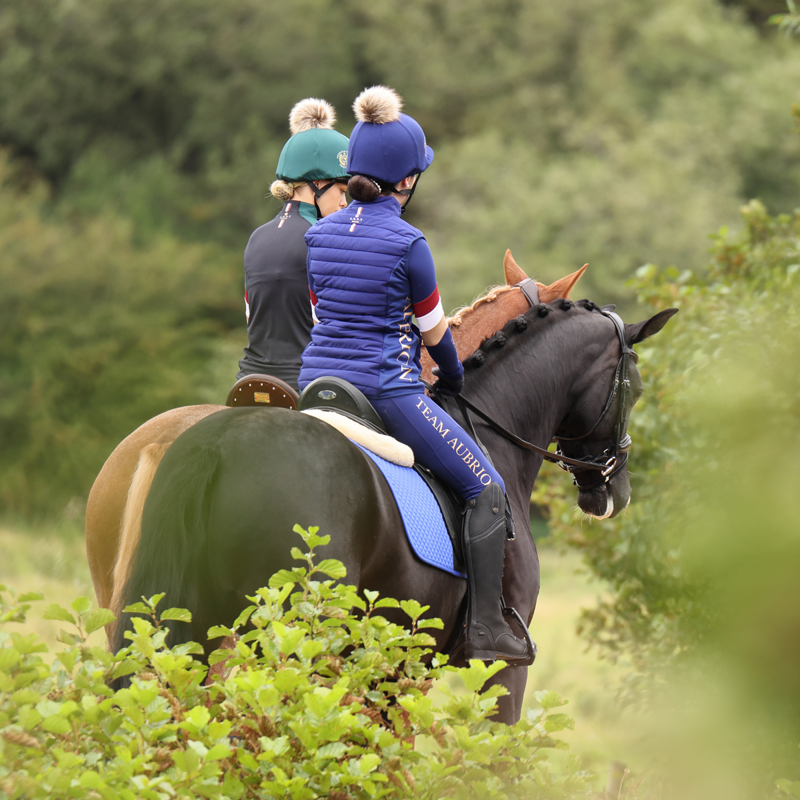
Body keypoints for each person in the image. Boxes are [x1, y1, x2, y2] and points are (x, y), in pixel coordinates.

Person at [297, 86, 531, 664]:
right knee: (486, 487)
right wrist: (453, 376)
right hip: (386, 390)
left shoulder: (318, 234)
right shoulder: (409, 243)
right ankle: (485, 627)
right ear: (406, 180)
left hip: (316, 385)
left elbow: (320, 316)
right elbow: (434, 333)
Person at [236, 98, 350, 391]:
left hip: (249, 381)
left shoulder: (256, 237)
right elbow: (338, 328)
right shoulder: (324, 238)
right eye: (340, 190)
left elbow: (252, 317)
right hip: (306, 384)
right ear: (317, 184)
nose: (344, 202)